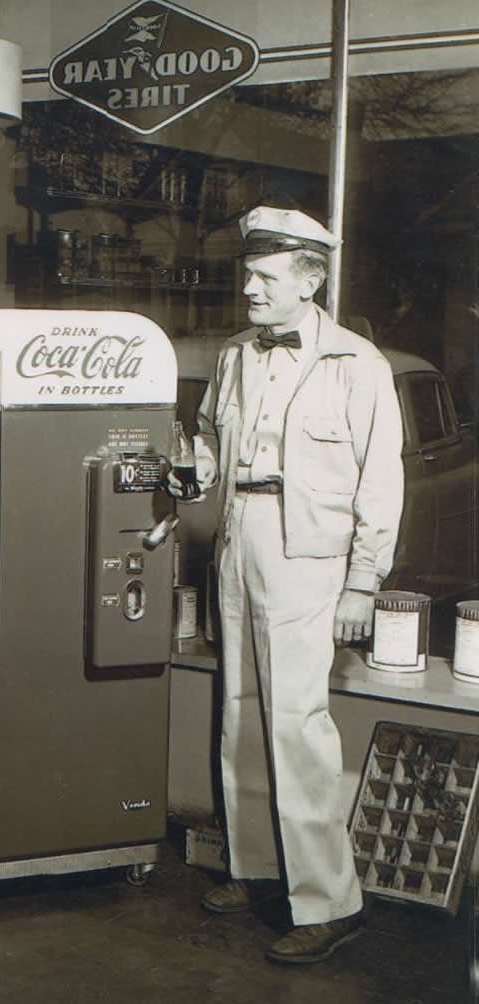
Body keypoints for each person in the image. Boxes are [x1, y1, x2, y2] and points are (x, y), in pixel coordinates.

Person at [173, 206, 404, 964]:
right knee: (239, 708)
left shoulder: (357, 363)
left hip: (310, 553)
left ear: (310, 280)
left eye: (266, 277)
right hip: (240, 534)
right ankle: (255, 866)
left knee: (297, 721)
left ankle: (330, 899)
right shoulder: (237, 354)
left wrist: (363, 583)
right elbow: (210, 434)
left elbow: (382, 483)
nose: (249, 288)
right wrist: (200, 464)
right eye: (248, 273)